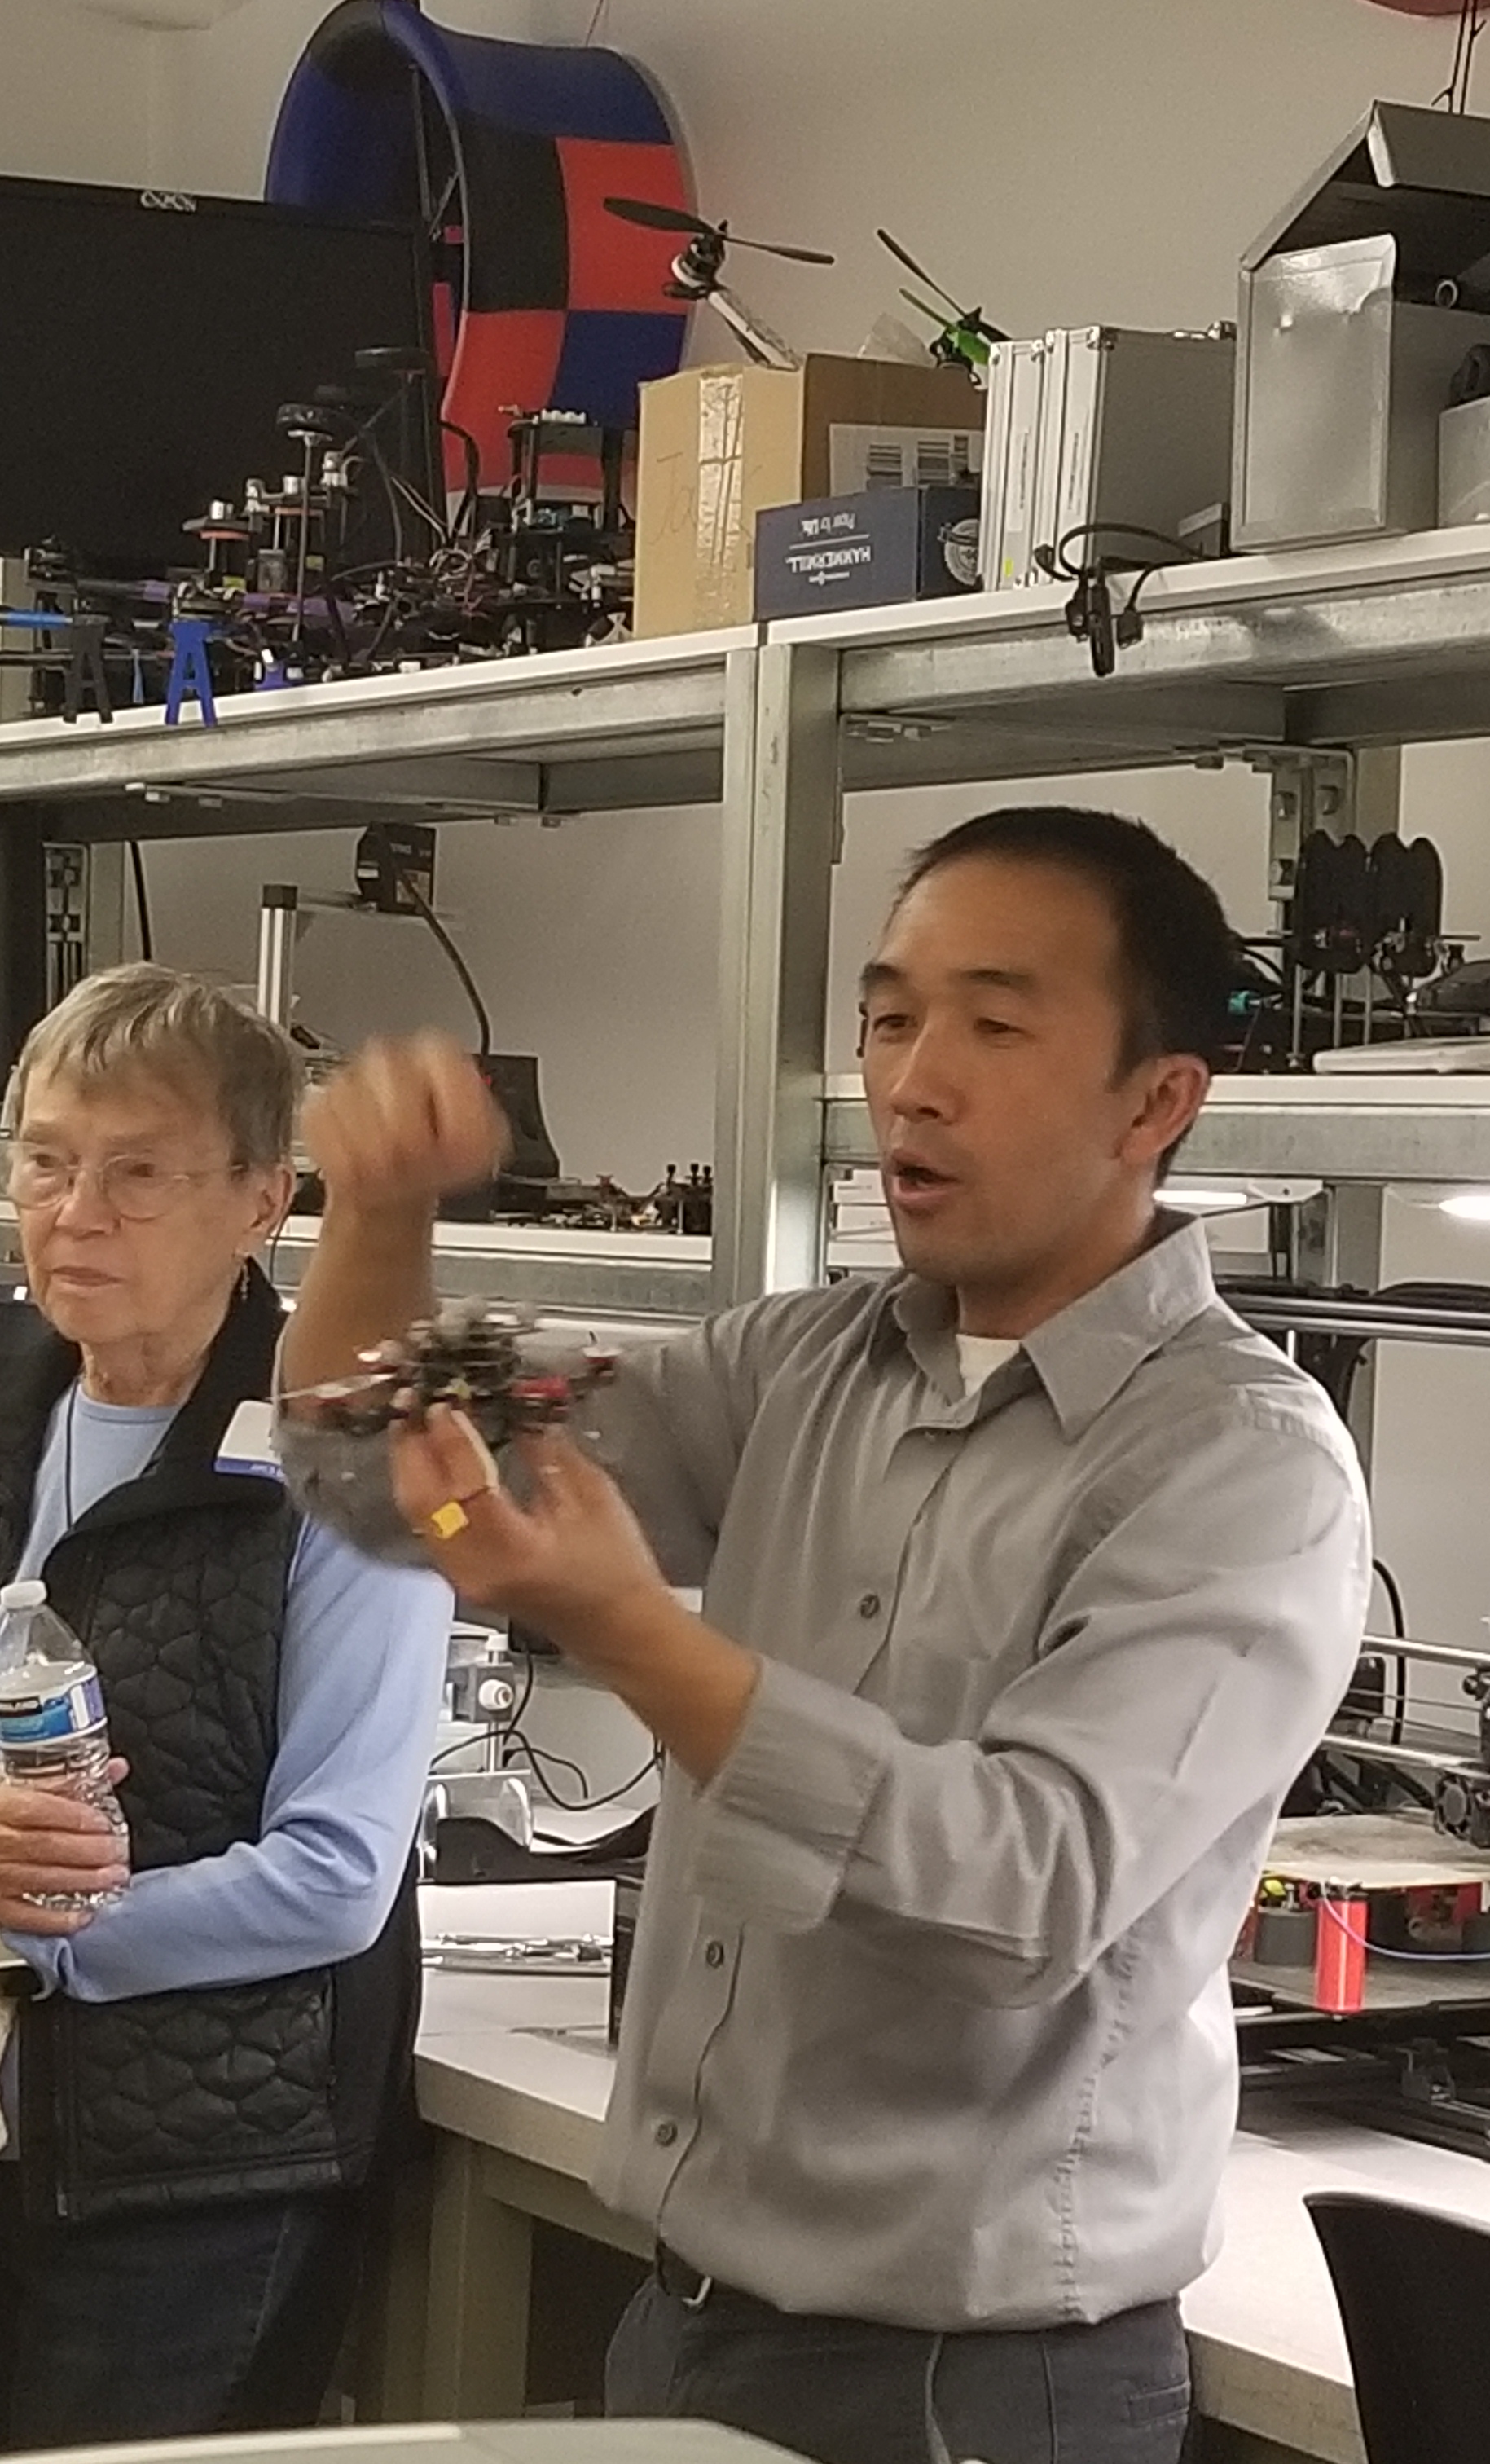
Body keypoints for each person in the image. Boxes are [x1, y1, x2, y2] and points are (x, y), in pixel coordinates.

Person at [278, 807, 1371, 2464]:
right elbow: (376, 1474)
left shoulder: (1239, 1465)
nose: (913, 1082)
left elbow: (1026, 1889)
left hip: (970, 2393)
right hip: (689, 2317)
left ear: (1158, 1101)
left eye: (993, 1027)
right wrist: (375, 1214)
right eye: (888, 1017)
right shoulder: (800, 1367)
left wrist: (628, 1632)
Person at [0, 965, 450, 2448]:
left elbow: (335, 1876)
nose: (76, 1214)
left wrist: (33, 1946)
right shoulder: (10, 1393)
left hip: (187, 2191)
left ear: (265, 1201)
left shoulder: (347, 1461)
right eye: (46, 1161)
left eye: (138, 1174)